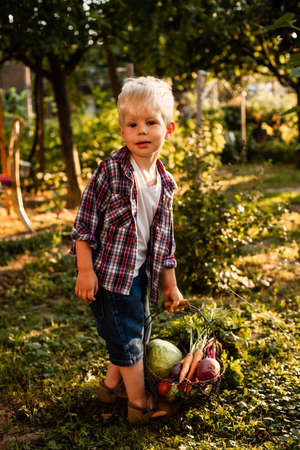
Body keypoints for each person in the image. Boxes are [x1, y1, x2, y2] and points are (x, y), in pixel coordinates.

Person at [71, 76, 187, 424]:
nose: (142, 131)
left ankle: (110, 388)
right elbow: (84, 225)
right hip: (108, 278)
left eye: (151, 122)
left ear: (169, 128)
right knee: (129, 342)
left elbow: (164, 242)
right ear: (122, 131)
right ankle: (139, 405)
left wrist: (170, 284)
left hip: (139, 275)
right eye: (132, 124)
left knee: (134, 333)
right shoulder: (111, 172)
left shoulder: (165, 183)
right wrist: (85, 270)